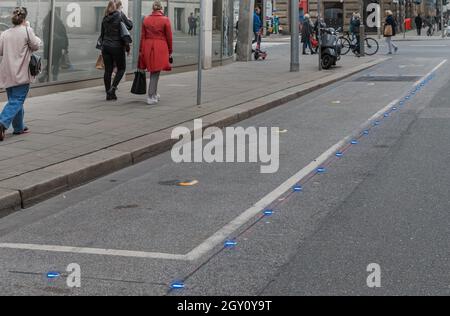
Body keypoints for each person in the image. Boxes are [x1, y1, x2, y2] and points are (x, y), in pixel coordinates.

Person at [0, 7, 41, 141]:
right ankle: (2, 123)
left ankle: (19, 127)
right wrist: (28, 28)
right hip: (21, 73)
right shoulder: (27, 30)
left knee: (15, 100)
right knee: (17, 100)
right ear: (24, 18)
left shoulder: (5, 33)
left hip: (7, 73)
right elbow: (35, 45)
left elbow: (0, 51)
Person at [138, 0, 173, 105]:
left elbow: (142, 36)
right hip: (160, 46)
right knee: (155, 71)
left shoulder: (146, 19)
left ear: (153, 8)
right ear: (161, 8)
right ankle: (150, 95)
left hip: (147, 46)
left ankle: (154, 93)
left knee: (154, 71)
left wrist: (141, 50)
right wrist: (170, 50)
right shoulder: (165, 19)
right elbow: (169, 37)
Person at [100, 0, 133, 101]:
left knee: (108, 70)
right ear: (117, 8)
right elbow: (130, 26)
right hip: (117, 46)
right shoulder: (120, 15)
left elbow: (102, 35)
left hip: (106, 47)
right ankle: (112, 89)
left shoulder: (105, 18)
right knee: (121, 69)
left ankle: (108, 93)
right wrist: (128, 18)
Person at [41, 10, 69, 82]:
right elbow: (65, 36)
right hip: (57, 47)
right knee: (56, 63)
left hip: (49, 47)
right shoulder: (60, 24)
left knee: (50, 62)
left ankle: (44, 75)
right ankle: (54, 78)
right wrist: (65, 47)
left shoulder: (46, 25)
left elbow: (45, 38)